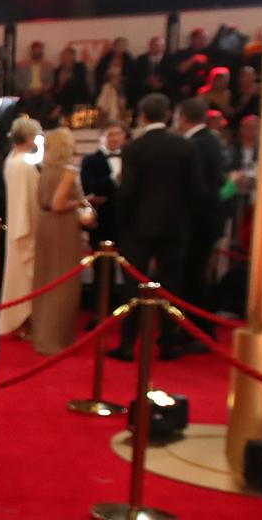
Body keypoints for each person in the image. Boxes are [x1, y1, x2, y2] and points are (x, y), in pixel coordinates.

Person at [110, 93, 205, 361]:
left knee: (133, 287)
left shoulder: (134, 148)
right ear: (168, 115)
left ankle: (128, 344)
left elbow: (127, 194)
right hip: (175, 228)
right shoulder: (186, 147)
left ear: (142, 116)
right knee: (171, 287)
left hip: (139, 228)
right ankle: (168, 343)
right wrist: (185, 220)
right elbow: (197, 191)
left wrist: (124, 226)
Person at [175, 97, 227, 349]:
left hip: (197, 223)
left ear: (183, 117)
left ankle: (198, 333)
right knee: (195, 277)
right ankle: (196, 331)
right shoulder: (211, 141)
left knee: (193, 278)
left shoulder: (196, 144)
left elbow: (194, 189)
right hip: (206, 220)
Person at [30, 128, 87, 355]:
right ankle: (55, 340)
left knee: (45, 279)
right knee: (63, 282)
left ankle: (42, 335)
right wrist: (80, 202)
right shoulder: (67, 171)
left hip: (45, 225)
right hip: (62, 227)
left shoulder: (45, 170)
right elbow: (58, 204)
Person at [0, 116, 42, 337]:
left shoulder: (12, 158)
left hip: (17, 223)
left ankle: (21, 322)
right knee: (25, 278)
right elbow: (31, 199)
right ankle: (22, 323)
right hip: (25, 225)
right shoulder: (24, 163)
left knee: (18, 276)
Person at [81, 121, 126, 249]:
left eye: (118, 134)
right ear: (101, 138)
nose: (115, 138)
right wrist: (113, 178)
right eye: (110, 135)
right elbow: (89, 187)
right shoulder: (90, 160)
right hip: (102, 219)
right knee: (102, 264)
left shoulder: (130, 157)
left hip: (127, 219)